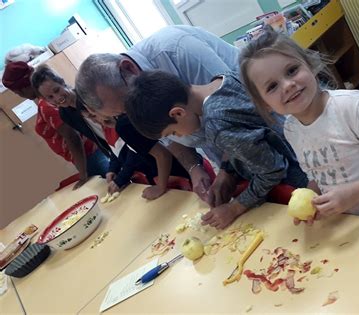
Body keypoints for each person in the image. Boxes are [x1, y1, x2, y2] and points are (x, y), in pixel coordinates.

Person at [239, 29, 359, 224]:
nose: (287, 85)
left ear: (310, 65)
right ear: (265, 104)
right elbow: (319, 175)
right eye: (272, 86)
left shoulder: (352, 108)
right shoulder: (291, 129)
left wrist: (355, 194)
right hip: (345, 226)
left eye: (292, 70)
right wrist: (312, 198)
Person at [124, 69, 309, 229]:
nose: (179, 137)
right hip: (303, 150)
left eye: (173, 131)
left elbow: (272, 171)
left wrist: (233, 208)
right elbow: (245, 137)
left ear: (178, 113)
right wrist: (227, 170)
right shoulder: (224, 79)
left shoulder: (217, 125)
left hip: (297, 181)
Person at [75, 25, 240, 202]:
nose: (132, 113)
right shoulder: (133, 97)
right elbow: (169, 140)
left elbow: (237, 116)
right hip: (229, 155)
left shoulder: (177, 50)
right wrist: (194, 168)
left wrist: (226, 172)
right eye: (122, 113)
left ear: (129, 68)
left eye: (127, 104)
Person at [31, 64, 189, 199]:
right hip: (145, 166)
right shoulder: (67, 114)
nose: (57, 98)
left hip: (167, 167)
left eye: (57, 90)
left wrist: (123, 178)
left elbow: (142, 146)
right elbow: (109, 143)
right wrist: (114, 168)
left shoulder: (112, 116)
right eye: (50, 97)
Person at [1, 61, 105, 189]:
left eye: (19, 92)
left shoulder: (46, 105)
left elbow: (73, 137)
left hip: (90, 157)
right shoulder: (46, 102)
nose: (21, 96)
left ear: (24, 88)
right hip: (91, 156)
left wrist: (83, 175)